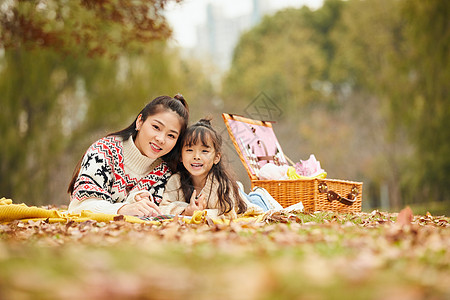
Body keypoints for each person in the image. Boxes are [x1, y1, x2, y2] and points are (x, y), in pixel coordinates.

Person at [67, 94, 189, 217]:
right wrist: (123, 209)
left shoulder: (166, 172)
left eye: (171, 135)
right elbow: (80, 206)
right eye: (156, 127)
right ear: (140, 122)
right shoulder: (103, 152)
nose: (161, 139)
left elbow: (165, 210)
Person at [159, 118, 264, 219]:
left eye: (204, 151)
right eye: (189, 150)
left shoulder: (221, 184)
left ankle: (257, 194)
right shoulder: (176, 181)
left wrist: (200, 213)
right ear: (181, 156)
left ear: (216, 158)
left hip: (246, 201)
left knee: (257, 201)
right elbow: (162, 208)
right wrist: (186, 211)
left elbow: (228, 214)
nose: (196, 156)